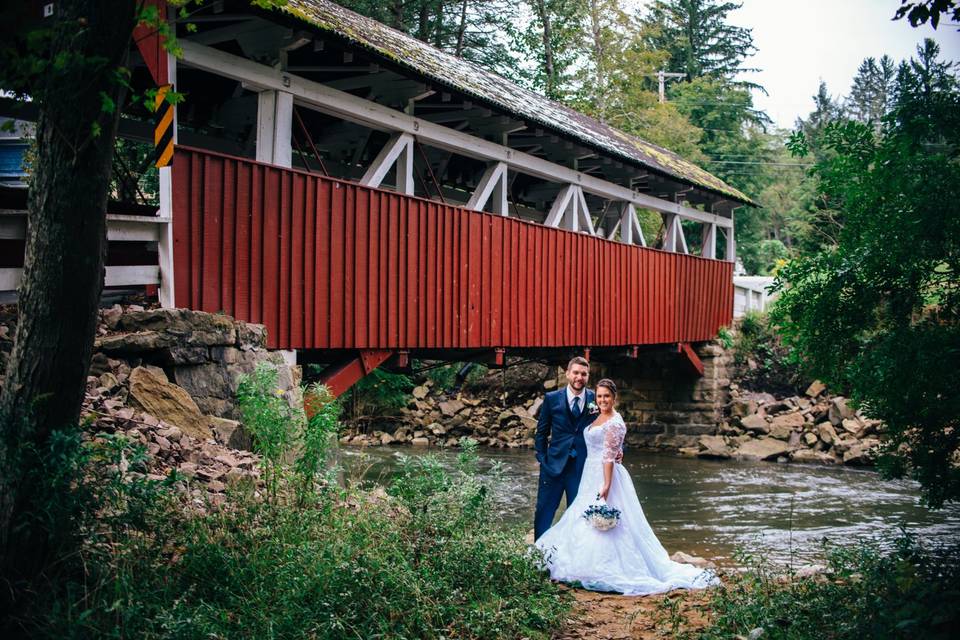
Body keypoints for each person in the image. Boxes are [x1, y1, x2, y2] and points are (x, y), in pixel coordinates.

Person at [535, 378, 719, 595]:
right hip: (589, 473)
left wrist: (606, 485)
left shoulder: (615, 422)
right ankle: (575, 560)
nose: (602, 400)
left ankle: (601, 567)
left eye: (607, 396)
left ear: (615, 398)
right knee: (581, 517)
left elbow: (609, 457)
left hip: (605, 476)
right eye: (600, 396)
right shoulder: (596, 414)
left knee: (605, 523)